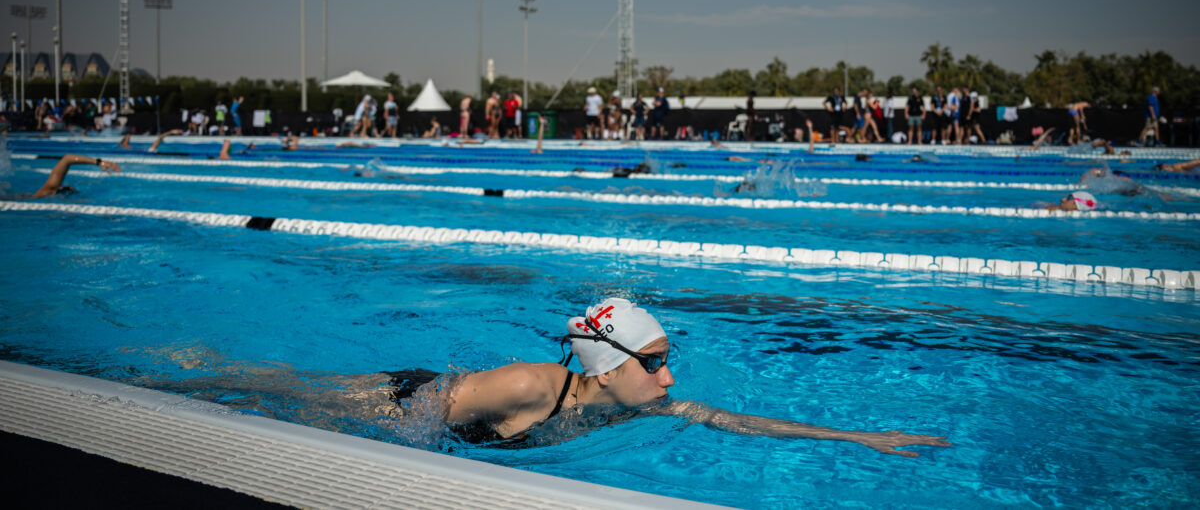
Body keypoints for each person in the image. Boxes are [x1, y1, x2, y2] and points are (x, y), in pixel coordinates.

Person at [226, 298, 945, 454]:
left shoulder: (631, 407)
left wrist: (862, 434)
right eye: (655, 362)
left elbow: (737, 421)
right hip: (401, 395)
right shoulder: (531, 386)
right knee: (279, 392)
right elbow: (414, 418)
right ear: (607, 366)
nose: (669, 380)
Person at [30, 154, 122, 198]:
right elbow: (67, 158)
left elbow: (67, 159)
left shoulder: (48, 190)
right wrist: (99, 162)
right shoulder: (48, 190)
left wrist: (99, 162)